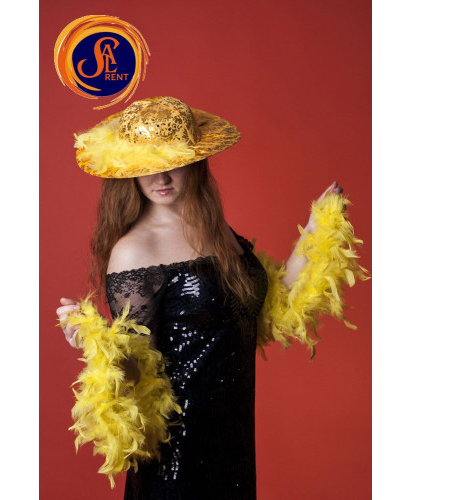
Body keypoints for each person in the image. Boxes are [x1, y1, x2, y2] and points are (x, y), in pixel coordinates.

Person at [56, 96, 368, 499]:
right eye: (147, 166)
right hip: (178, 453)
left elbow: (267, 308)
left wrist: (315, 230)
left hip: (233, 443)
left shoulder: (216, 230)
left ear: (195, 162)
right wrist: (99, 344)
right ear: (129, 171)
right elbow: (136, 373)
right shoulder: (134, 251)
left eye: (173, 161)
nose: (161, 177)